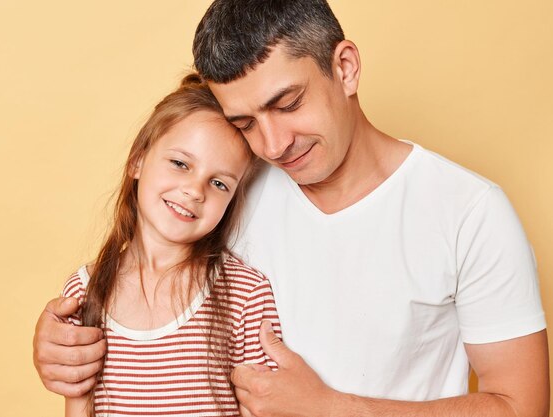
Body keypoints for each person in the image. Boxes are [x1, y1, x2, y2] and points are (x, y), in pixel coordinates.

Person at [34, 1, 550, 416]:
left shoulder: (469, 211)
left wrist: (334, 409)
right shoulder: (228, 186)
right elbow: (146, 285)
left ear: (344, 68)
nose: (275, 144)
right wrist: (63, 346)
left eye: (288, 103)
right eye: (245, 123)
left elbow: (521, 405)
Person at [57, 74, 281, 416]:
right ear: (138, 160)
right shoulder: (82, 292)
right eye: (180, 164)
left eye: (219, 183)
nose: (195, 190)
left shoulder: (246, 294)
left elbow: (265, 407)